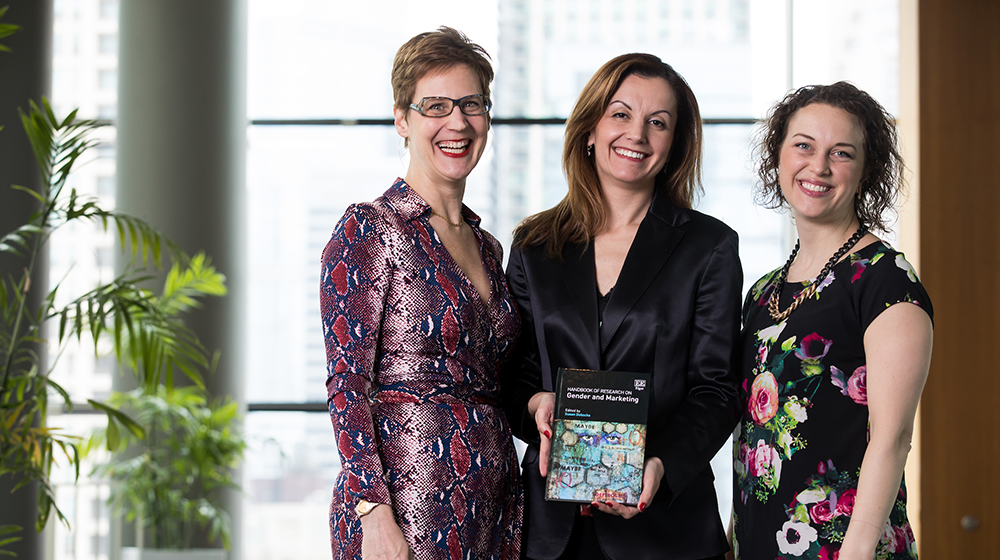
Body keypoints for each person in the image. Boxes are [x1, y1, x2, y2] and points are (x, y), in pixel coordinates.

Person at [503, 53, 743, 560]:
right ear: (590, 128)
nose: (637, 133)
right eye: (620, 114)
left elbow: (717, 389)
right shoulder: (533, 245)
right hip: (551, 532)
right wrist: (535, 405)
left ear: (673, 145)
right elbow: (513, 375)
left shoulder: (710, 247)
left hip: (667, 531)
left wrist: (660, 464)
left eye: (658, 122)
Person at [320, 27, 522, 560]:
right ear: (402, 120)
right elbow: (347, 385)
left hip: (493, 507)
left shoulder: (490, 248)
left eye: (471, 104)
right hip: (406, 515)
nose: (457, 122)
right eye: (436, 106)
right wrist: (374, 515)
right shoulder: (369, 230)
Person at [731, 82, 933, 560]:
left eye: (841, 153)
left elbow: (894, 436)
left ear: (866, 171)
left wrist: (856, 553)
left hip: (847, 548)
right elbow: (752, 437)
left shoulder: (886, 280)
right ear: (778, 156)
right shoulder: (763, 292)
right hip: (761, 544)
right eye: (803, 146)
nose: (818, 166)